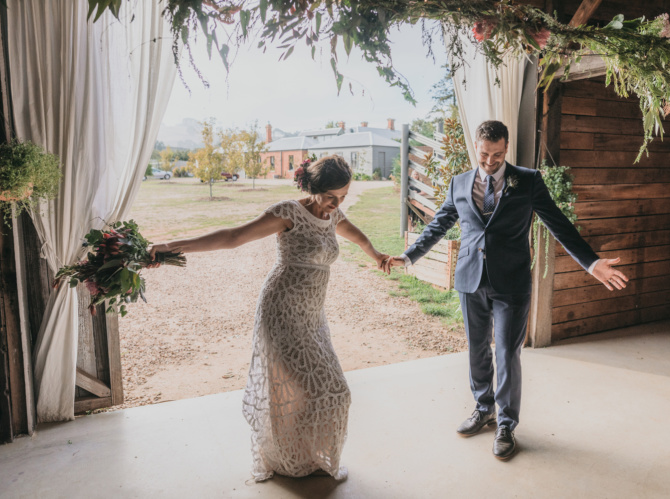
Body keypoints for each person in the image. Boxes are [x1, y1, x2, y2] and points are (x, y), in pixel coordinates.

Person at [386, 120, 628, 460]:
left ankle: (506, 424)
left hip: (512, 283)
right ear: (476, 147)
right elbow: (439, 224)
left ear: (507, 148)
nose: (490, 162)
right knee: (476, 349)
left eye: (498, 155)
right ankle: (483, 407)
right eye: (484, 154)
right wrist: (408, 257)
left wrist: (591, 263)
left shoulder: (527, 181)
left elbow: (558, 222)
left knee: (506, 353)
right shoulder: (459, 184)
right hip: (470, 280)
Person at [149, 156, 389, 481]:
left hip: (312, 316)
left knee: (332, 390)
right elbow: (233, 237)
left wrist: (376, 255)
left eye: (343, 196)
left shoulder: (333, 215)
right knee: (297, 389)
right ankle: (288, 459)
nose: (337, 203)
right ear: (313, 188)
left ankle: (310, 456)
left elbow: (357, 235)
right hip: (282, 311)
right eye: (332, 196)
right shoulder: (288, 212)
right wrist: (170, 246)